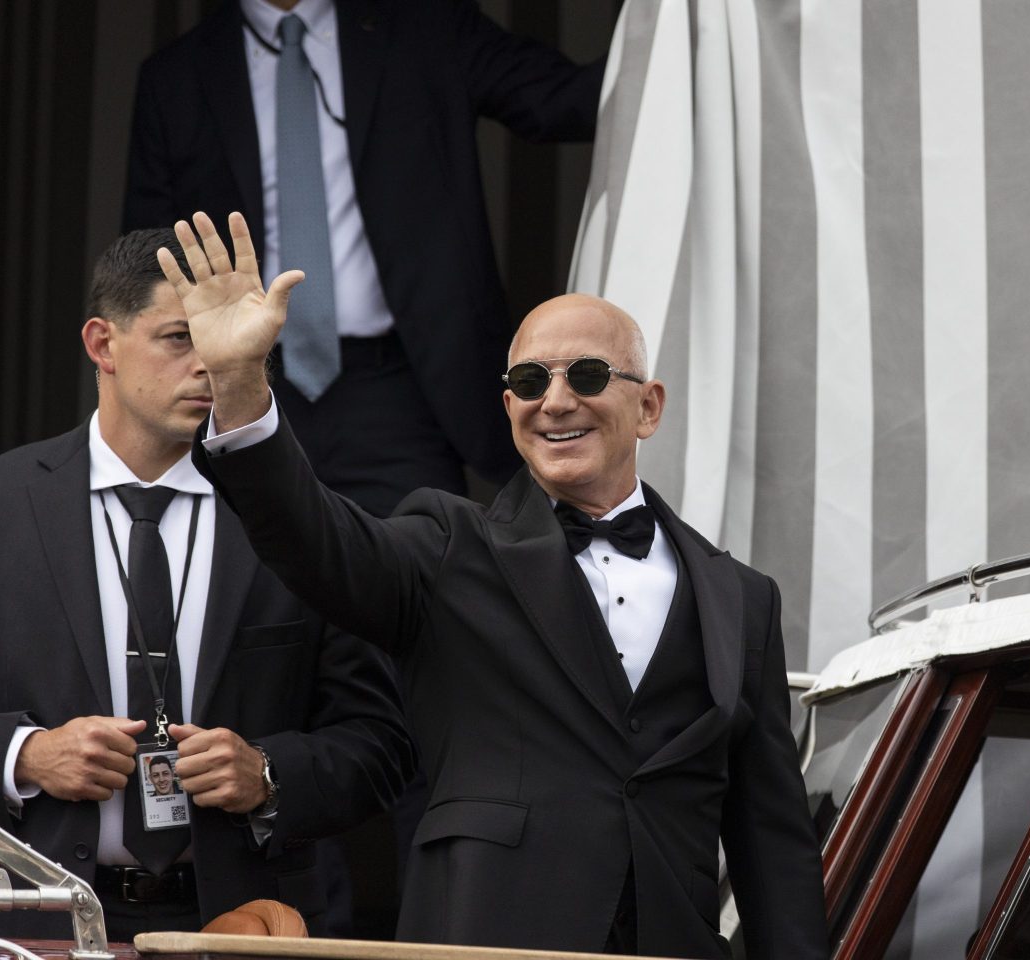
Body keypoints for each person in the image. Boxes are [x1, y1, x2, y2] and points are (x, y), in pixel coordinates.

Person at [167, 212, 830, 959]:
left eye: (585, 375)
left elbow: (773, 847)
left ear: (649, 407)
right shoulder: (450, 546)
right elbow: (318, 542)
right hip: (485, 935)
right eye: (527, 380)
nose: (555, 401)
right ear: (508, 405)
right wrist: (240, 382)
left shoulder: (742, 598)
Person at [0, 227, 415, 942]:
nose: (210, 364)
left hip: (249, 922)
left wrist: (267, 773)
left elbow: (383, 742)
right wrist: (27, 757)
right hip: (33, 920)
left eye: (229, 342)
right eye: (179, 338)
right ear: (102, 344)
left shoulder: (305, 521)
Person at [122, 0, 604, 516]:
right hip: (239, 389)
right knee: (245, 588)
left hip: (395, 393)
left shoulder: (425, 28)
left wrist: (687, 26)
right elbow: (149, 265)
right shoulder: (178, 74)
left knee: (415, 578)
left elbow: (566, 101)